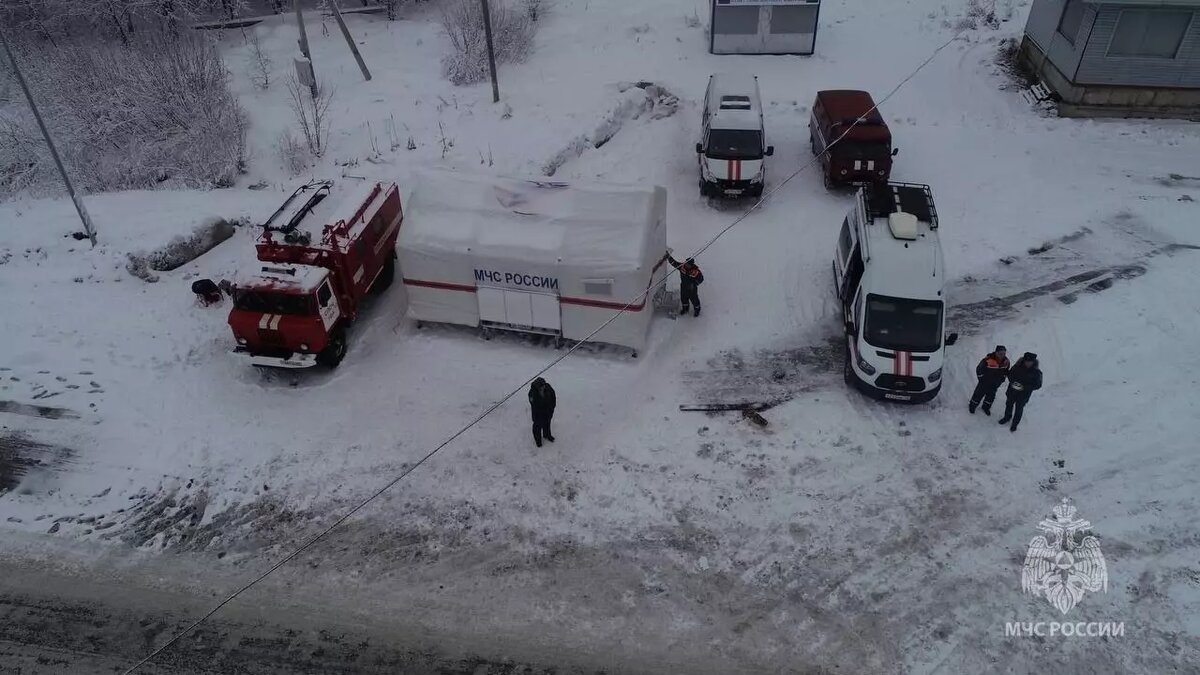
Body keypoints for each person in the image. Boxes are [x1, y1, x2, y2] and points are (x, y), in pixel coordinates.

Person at [998, 352, 1042, 432]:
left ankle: (1015, 424)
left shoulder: (1036, 372)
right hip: (1012, 390)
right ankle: (1007, 417)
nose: (1028, 363)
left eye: (1030, 362)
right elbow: (1010, 375)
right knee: (1009, 404)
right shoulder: (1017, 366)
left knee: (1019, 408)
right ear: (1024, 360)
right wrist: (1014, 383)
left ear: (1033, 362)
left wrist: (1026, 387)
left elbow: (1038, 385)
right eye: (1026, 361)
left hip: (1024, 394)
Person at [968, 345, 1010, 416]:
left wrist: (1002, 379)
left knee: (990, 397)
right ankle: (972, 406)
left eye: (1004, 353)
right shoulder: (987, 360)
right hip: (984, 383)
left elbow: (1006, 371)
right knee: (977, 395)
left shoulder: (1006, 361)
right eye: (1000, 353)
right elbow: (979, 369)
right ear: (996, 352)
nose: (1002, 355)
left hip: (995, 384)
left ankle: (986, 407)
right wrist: (982, 379)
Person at [664, 252, 704, 317]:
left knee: (694, 300)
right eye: (686, 263)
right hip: (683, 286)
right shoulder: (682, 267)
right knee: (684, 299)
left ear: (691, 265)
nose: (686, 265)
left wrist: (694, 284)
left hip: (692, 288)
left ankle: (697, 310)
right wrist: (669, 257)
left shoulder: (695, 271)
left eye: (688, 264)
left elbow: (701, 279)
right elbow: (674, 263)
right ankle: (685, 309)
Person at [528, 377, 556, 447]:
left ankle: (547, 435)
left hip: (547, 412)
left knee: (547, 424)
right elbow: (534, 405)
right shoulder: (532, 393)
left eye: (543, 386)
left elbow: (553, 397)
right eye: (541, 387)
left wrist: (551, 408)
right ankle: (538, 441)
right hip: (538, 414)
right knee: (537, 428)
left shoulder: (548, 387)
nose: (543, 388)